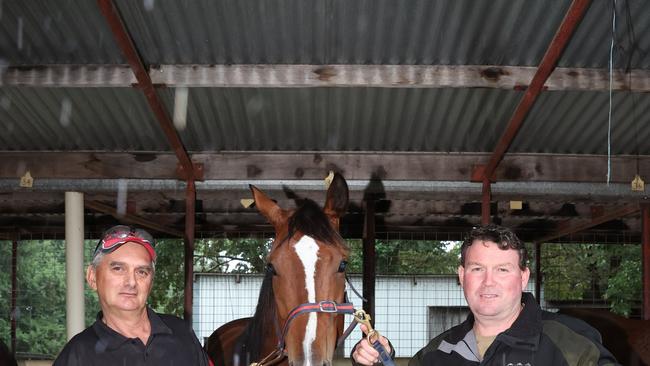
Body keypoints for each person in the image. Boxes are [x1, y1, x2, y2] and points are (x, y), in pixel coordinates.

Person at [352, 224, 620, 366]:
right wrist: (375, 361)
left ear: (523, 277)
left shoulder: (572, 343)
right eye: (477, 268)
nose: (488, 282)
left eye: (502, 269)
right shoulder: (437, 353)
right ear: (462, 275)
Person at [54, 225, 209, 366]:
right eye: (118, 268)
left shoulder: (182, 333)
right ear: (92, 277)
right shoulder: (77, 355)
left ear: (151, 282)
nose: (131, 282)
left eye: (141, 272)